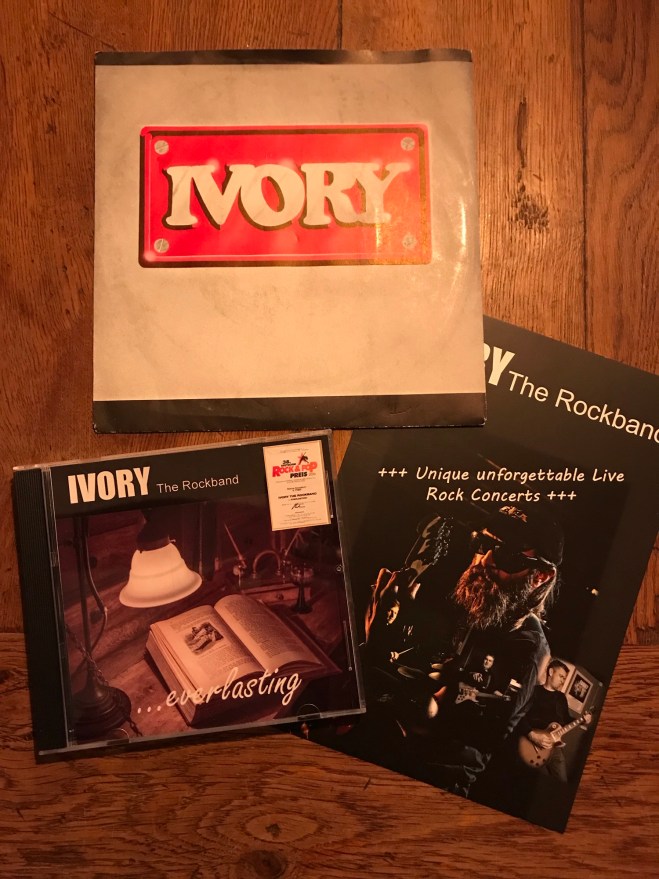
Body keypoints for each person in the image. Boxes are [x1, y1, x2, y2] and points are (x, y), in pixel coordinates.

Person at [361, 503, 564, 796]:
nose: (485, 560)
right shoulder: (481, 603)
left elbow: (437, 724)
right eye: (483, 543)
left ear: (541, 576)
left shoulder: (527, 652)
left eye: (507, 554)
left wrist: (377, 646)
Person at [516, 659, 591, 782]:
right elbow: (519, 715)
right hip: (532, 744)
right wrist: (532, 735)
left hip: (555, 748)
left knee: (562, 782)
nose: (563, 681)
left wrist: (582, 720)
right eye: (561, 676)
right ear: (551, 672)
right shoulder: (533, 691)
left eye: (564, 678)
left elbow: (566, 719)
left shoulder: (561, 697)